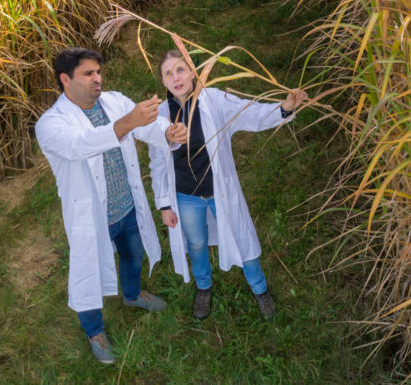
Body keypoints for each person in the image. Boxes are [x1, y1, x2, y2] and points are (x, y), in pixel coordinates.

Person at [35, 47, 186, 365]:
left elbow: (146, 128)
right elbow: (79, 146)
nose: (97, 79)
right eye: (88, 74)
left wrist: (168, 131)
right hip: (92, 219)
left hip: (127, 206)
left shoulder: (115, 101)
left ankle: (132, 295)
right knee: (87, 275)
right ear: (65, 79)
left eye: (98, 72)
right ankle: (94, 332)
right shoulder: (50, 124)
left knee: (132, 255)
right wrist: (126, 123)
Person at [150, 49, 308, 321]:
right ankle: (203, 286)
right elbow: (157, 164)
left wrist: (284, 109)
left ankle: (259, 289)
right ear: (162, 81)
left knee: (241, 237)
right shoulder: (161, 116)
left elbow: (251, 113)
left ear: (193, 72)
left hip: (219, 190)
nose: (176, 78)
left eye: (180, 69)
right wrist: (164, 204)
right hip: (186, 196)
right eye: (168, 73)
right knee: (197, 244)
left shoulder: (214, 100)